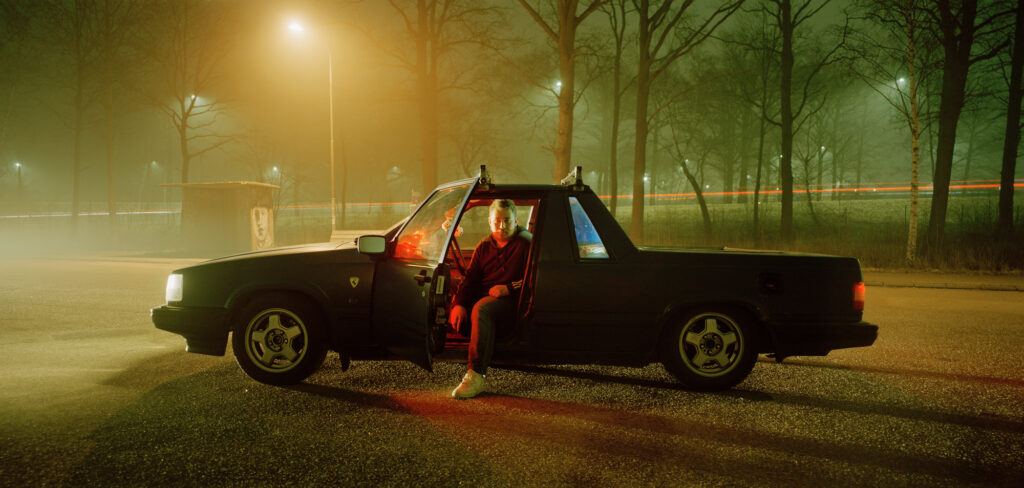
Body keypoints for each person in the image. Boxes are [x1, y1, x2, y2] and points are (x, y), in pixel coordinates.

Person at [449, 199, 531, 399]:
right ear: (489, 222)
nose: (502, 226)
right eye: (497, 221)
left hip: (513, 302)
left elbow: (535, 279)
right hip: (486, 297)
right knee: (448, 289)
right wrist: (459, 304)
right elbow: (471, 279)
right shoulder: (484, 246)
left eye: (507, 220)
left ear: (516, 220)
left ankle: (476, 375)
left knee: (482, 308)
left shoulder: (526, 243)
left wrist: (509, 288)